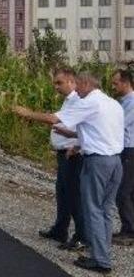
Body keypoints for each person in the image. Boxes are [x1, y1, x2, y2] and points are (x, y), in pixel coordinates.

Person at [14, 71, 124, 273]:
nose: (76, 90)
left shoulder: (89, 102)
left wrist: (28, 113)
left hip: (97, 162)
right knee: (106, 210)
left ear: (85, 83)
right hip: (115, 161)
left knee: (93, 209)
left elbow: (53, 119)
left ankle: (100, 260)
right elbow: (103, 132)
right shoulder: (112, 103)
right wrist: (80, 142)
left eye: (78, 85)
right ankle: (102, 253)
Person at [18, 67, 86, 250]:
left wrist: (29, 113)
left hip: (73, 154)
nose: (56, 87)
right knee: (62, 193)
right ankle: (60, 229)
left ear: (72, 82)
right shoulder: (68, 101)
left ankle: (82, 236)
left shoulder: (78, 101)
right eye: (55, 83)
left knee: (74, 195)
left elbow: (53, 119)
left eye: (59, 83)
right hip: (64, 154)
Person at [112, 69, 134, 246]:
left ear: (126, 83)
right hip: (126, 150)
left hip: (129, 150)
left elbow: (119, 124)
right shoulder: (123, 101)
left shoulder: (132, 102)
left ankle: (129, 231)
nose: (113, 86)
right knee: (130, 191)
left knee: (123, 192)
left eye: (116, 83)